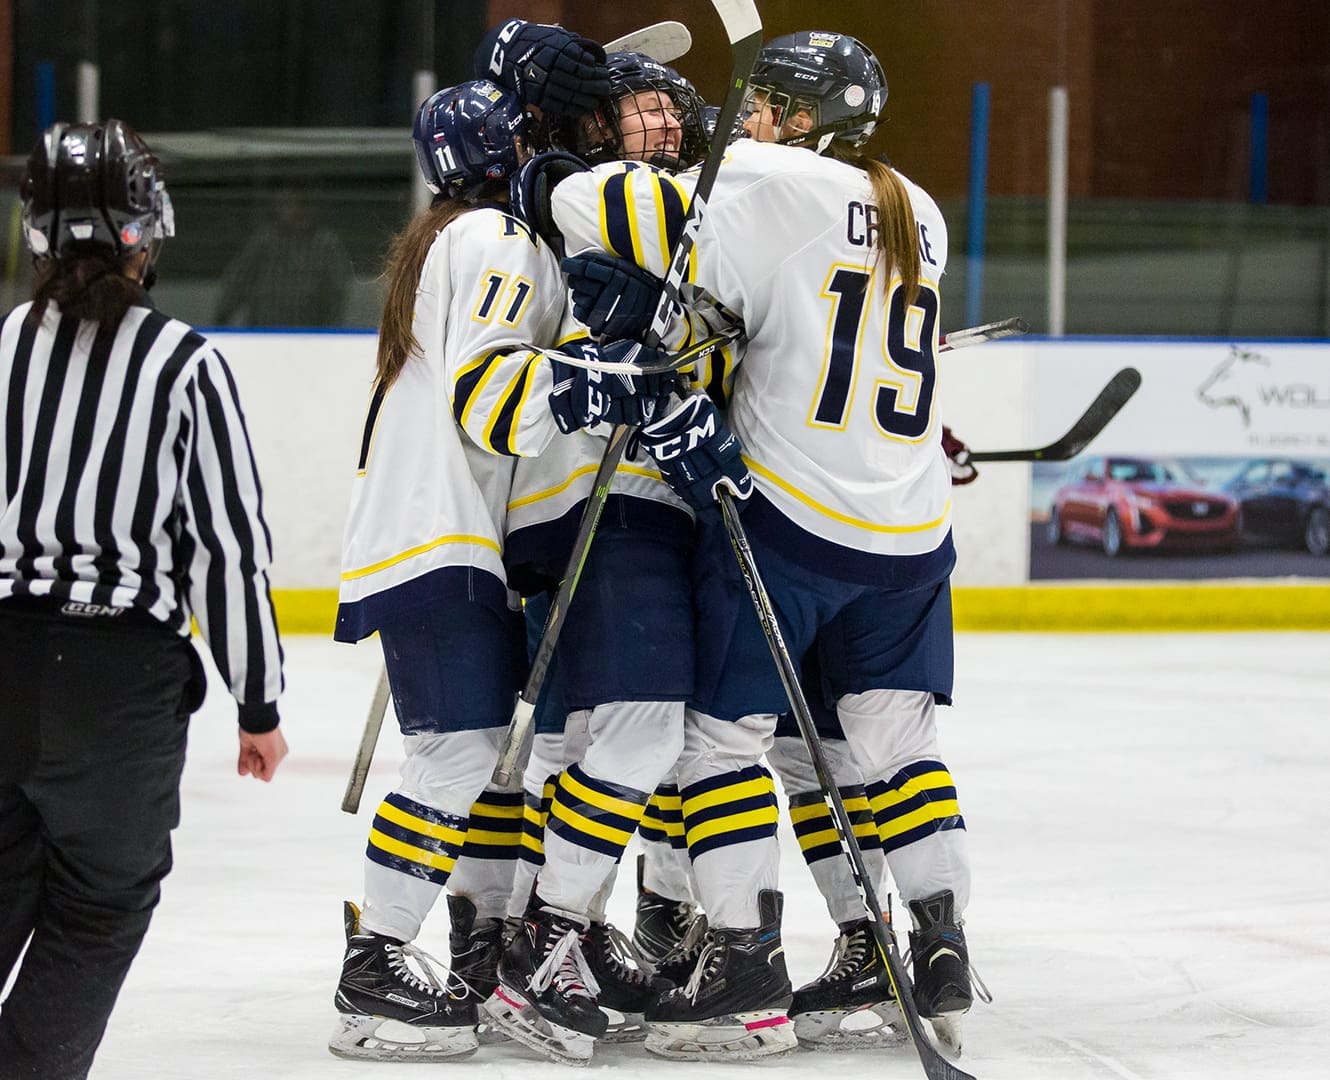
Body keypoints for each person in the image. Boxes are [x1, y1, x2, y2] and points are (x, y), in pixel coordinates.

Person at [551, 29, 974, 1060]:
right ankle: (931, 944)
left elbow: (589, 207)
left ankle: (741, 965)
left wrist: (577, 185)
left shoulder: (765, 179)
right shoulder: (919, 207)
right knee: (883, 746)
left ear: (798, 114)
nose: (741, 119)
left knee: (719, 745)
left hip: (789, 524)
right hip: (911, 532)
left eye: (763, 104)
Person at [0, 118, 287, 1080]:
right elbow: (228, 547)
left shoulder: (3, 347)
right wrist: (258, 701)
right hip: (117, 680)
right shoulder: (182, 361)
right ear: (146, 227)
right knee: (99, 902)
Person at [478, 46, 713, 1064]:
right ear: (591, 127)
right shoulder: (594, 196)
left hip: (653, 507)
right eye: (641, 109)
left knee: (613, 742)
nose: (660, 125)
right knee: (633, 732)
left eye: (671, 112)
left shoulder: (620, 195)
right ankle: (541, 949)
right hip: (606, 500)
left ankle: (560, 932)